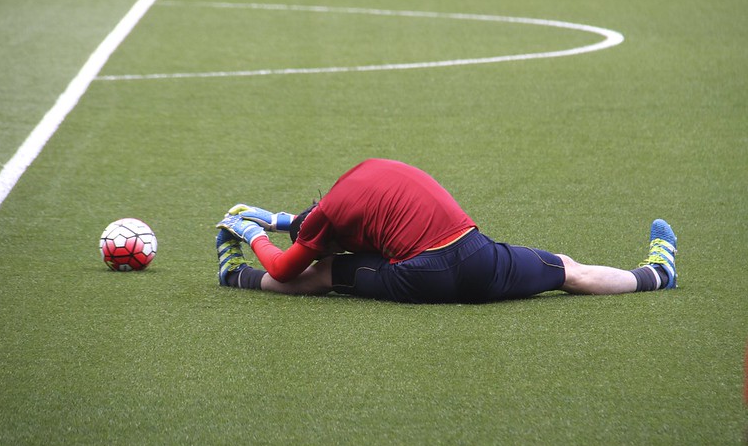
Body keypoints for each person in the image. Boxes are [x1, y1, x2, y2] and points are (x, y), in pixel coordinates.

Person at [215, 158, 677, 303]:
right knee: (569, 270)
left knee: (326, 273)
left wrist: (250, 232)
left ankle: (235, 277)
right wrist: (274, 218)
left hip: (420, 277)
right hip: (478, 259)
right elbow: (315, 221)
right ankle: (656, 275)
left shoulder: (327, 222)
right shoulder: (363, 178)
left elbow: (286, 263)